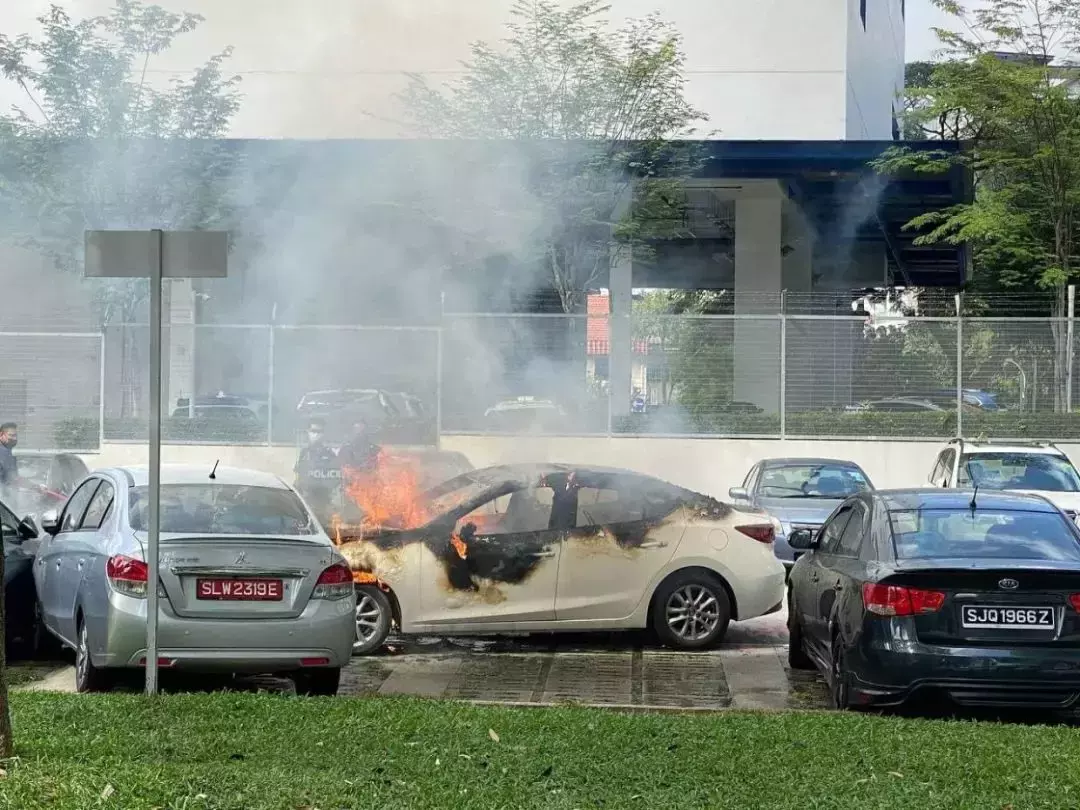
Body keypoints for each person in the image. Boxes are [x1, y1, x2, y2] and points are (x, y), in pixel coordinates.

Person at [294, 417, 340, 526]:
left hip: (322, 501)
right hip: (305, 500)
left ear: (323, 434)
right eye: (313, 431)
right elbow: (299, 475)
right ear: (308, 432)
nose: (316, 434)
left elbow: (335, 478)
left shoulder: (329, 454)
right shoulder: (304, 453)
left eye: (319, 432)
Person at [0, 423, 18, 496]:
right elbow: (13, 479)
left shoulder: (7, 450)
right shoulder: (4, 452)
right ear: (1, 435)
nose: (15, 438)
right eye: (11, 435)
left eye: (15, 435)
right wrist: (35, 487)